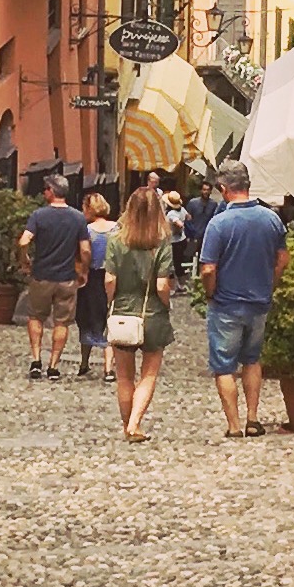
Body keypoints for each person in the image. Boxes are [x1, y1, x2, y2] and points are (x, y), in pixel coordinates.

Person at [198, 160, 289, 437]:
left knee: (224, 365)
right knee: (252, 359)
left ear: (224, 189)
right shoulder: (272, 219)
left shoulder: (219, 224)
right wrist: (269, 285)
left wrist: (210, 291)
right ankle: (252, 418)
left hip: (226, 303)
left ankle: (234, 426)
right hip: (259, 302)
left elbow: (208, 268)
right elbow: (282, 259)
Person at [106, 180, 179, 442]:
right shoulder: (161, 241)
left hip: (123, 312)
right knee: (148, 374)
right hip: (152, 315)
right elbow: (162, 284)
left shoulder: (115, 240)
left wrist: (111, 302)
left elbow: (109, 280)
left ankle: (128, 424)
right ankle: (135, 424)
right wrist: (167, 304)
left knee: (124, 376)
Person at [16, 170, 90, 380]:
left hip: (42, 276)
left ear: (51, 191)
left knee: (36, 317)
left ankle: (36, 359)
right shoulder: (77, 218)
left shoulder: (38, 216)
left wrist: (25, 260)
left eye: (45, 189)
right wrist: (83, 271)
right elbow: (85, 250)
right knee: (62, 322)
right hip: (67, 277)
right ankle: (54, 365)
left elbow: (23, 241)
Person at [76, 189, 114, 380]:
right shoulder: (117, 229)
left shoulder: (86, 231)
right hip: (113, 276)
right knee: (110, 320)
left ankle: (84, 362)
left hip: (91, 277)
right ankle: (108, 368)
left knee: (87, 319)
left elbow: (83, 254)